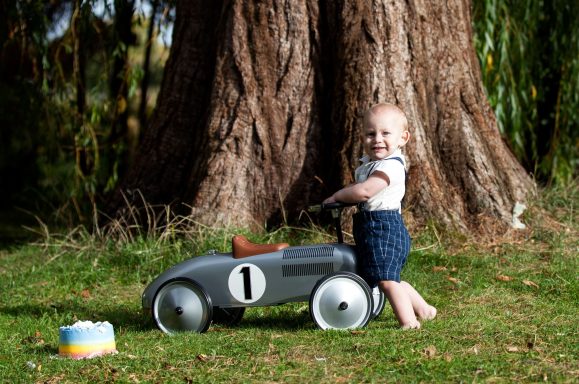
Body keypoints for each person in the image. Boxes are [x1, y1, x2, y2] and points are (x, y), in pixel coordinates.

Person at [323, 103, 436, 329]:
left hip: (384, 229)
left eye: (385, 133)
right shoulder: (373, 164)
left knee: (386, 280)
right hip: (374, 228)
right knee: (385, 275)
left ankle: (408, 321)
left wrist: (338, 195)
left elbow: (364, 191)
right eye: (370, 133)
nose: (377, 139)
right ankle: (424, 309)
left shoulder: (391, 167)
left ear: (403, 138)